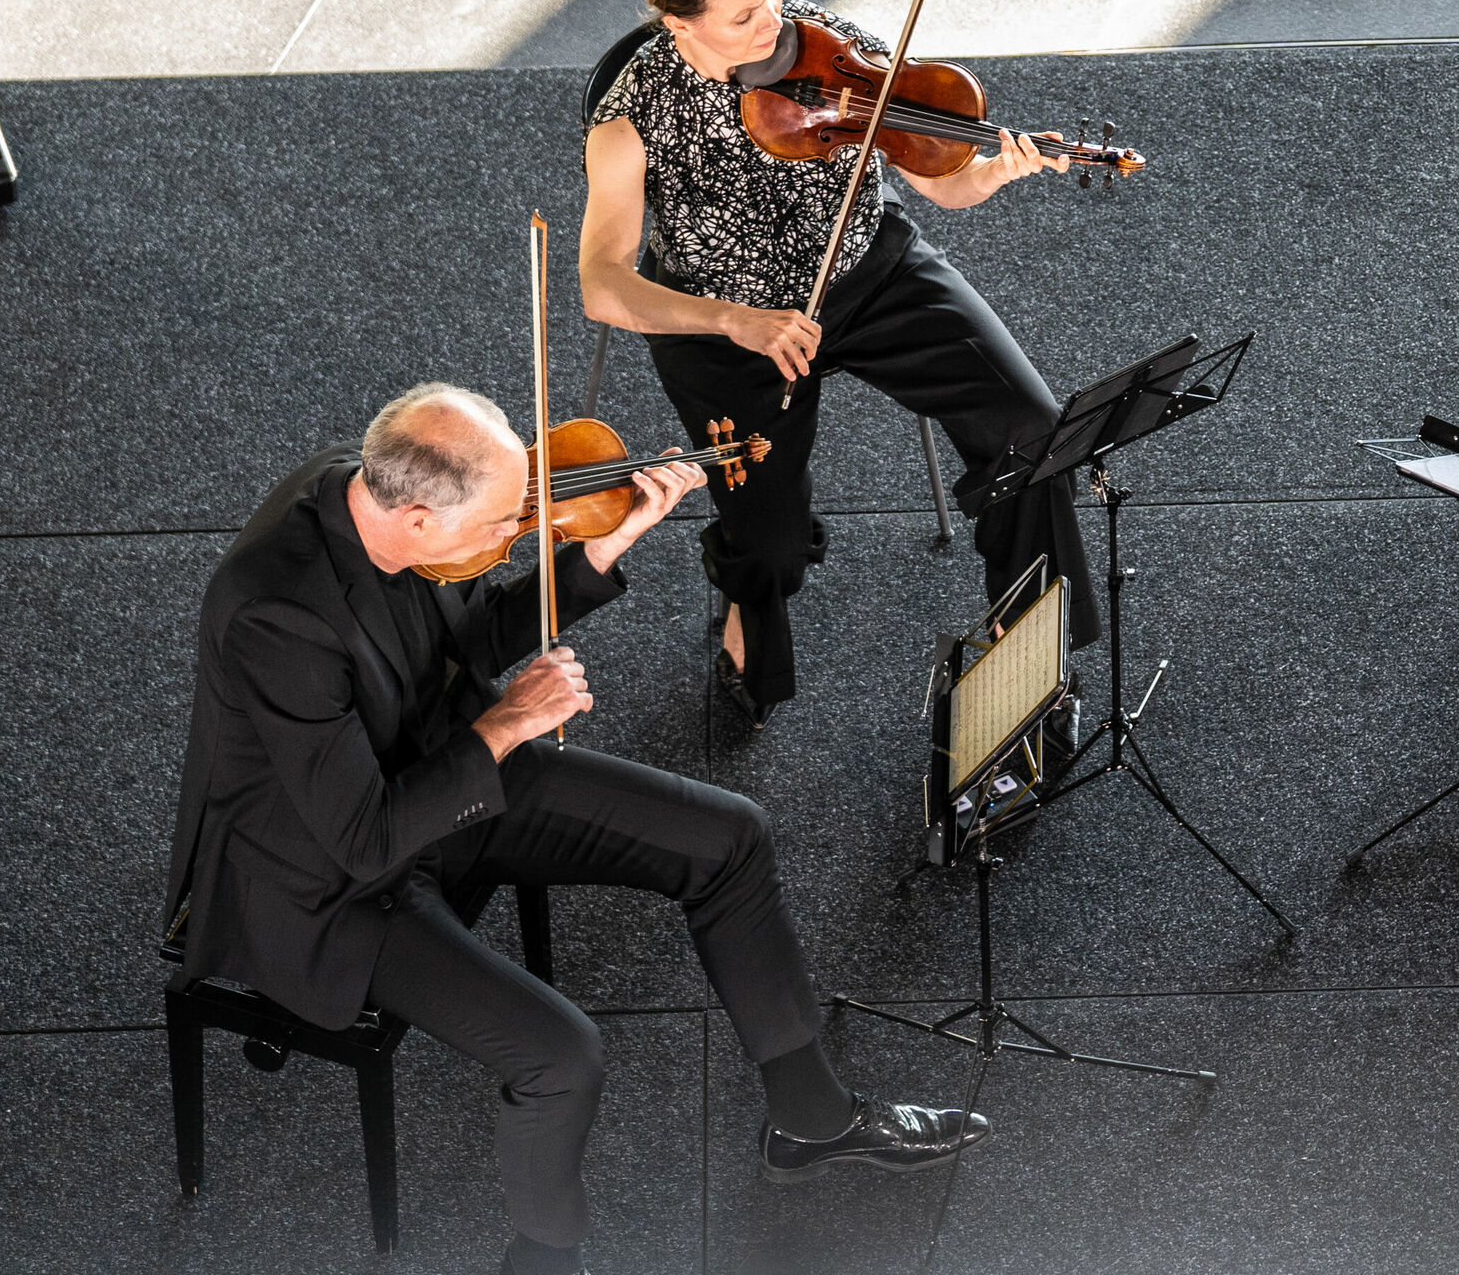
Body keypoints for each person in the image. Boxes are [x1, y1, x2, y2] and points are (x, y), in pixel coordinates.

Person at [161, 386, 989, 1275]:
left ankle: (811, 1121)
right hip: (328, 878)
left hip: (438, 767)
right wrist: (505, 725)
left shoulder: (382, 496)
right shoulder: (276, 616)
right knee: (562, 1057)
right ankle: (544, 1259)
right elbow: (363, 837)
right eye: (501, 523)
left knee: (729, 837)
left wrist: (602, 547)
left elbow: (471, 640)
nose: (514, 533)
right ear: (418, 520)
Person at [580, 0, 1099, 727]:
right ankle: (750, 602)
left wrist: (995, 171)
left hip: (868, 273)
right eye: (745, 16)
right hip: (724, 325)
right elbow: (603, 285)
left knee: (1032, 431)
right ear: (679, 24)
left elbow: (942, 187)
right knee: (770, 543)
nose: (775, 22)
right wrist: (736, 321)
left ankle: (1027, 643)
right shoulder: (633, 120)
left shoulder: (832, 47)